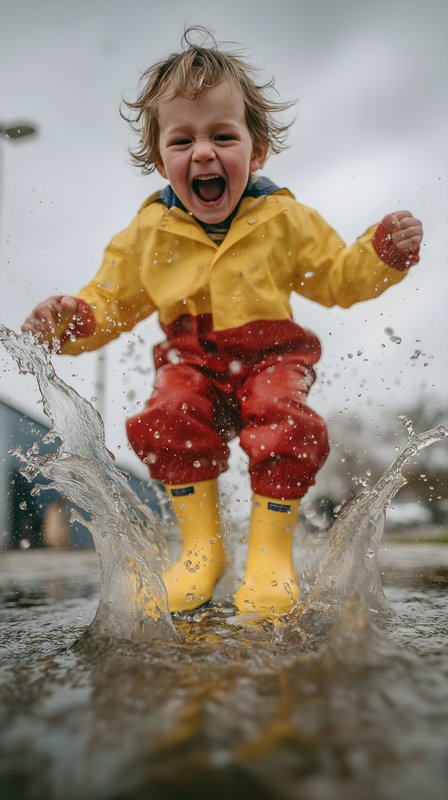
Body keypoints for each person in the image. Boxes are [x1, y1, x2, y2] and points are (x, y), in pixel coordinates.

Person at [21, 28, 423, 616]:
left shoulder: (285, 219)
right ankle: (202, 552)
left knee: (287, 422)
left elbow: (338, 278)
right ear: (160, 159)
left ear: (255, 152)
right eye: (182, 140)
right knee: (165, 416)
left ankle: (268, 557)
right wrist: (69, 322)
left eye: (222, 136)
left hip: (272, 355)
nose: (203, 153)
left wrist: (381, 253)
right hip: (191, 360)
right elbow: (108, 305)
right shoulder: (147, 235)